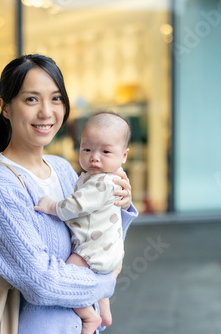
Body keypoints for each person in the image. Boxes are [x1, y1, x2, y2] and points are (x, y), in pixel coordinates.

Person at [0, 54, 138, 334]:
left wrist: (120, 204)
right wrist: (107, 282)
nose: (46, 112)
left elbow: (97, 238)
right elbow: (42, 282)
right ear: (5, 108)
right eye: (31, 99)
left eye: (56, 98)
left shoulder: (63, 168)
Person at [34, 111, 132, 334]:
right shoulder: (109, 174)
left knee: (68, 278)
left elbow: (75, 205)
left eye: (105, 151)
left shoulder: (102, 182)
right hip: (110, 251)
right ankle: (104, 311)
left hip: (93, 251)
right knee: (94, 281)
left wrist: (51, 206)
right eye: (86, 149)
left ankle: (89, 317)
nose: (94, 157)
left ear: (124, 155)